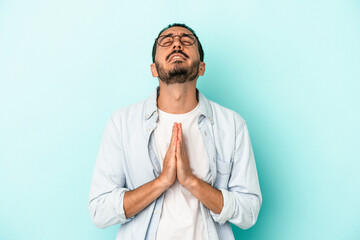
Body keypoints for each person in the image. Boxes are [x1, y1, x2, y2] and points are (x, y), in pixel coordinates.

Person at [89, 23, 262, 240]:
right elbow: (99, 210)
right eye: (167, 41)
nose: (177, 43)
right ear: (153, 68)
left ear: (201, 67)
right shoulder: (122, 124)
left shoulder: (232, 125)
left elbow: (249, 211)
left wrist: (192, 182)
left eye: (187, 40)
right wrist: (161, 181)